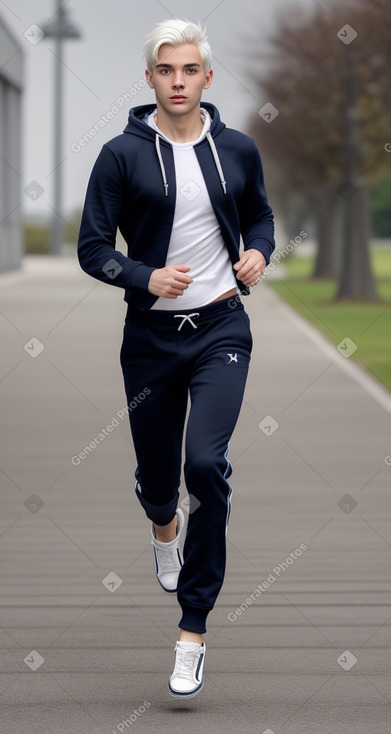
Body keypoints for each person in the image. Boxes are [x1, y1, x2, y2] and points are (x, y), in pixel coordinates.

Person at [77, 17, 275, 699]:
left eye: (189, 70)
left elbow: (260, 216)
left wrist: (258, 253)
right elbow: (93, 248)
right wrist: (143, 275)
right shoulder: (120, 155)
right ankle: (162, 517)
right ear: (151, 78)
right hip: (151, 341)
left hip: (221, 328)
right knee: (162, 478)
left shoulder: (238, 149)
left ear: (206, 77)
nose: (178, 81)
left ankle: (193, 628)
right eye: (166, 70)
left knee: (205, 466)